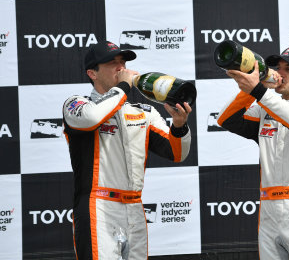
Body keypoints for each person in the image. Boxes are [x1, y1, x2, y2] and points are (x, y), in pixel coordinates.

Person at [62, 41, 192, 260]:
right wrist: (123, 87)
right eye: (113, 63)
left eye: (123, 62)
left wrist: (179, 125)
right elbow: (93, 117)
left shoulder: (143, 112)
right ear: (92, 73)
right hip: (99, 206)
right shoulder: (76, 104)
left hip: (134, 207)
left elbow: (177, 153)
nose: (121, 68)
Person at [217, 46, 289, 260]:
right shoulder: (265, 109)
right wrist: (251, 88)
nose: (280, 73)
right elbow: (225, 119)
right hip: (268, 207)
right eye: (278, 68)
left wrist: (260, 93)